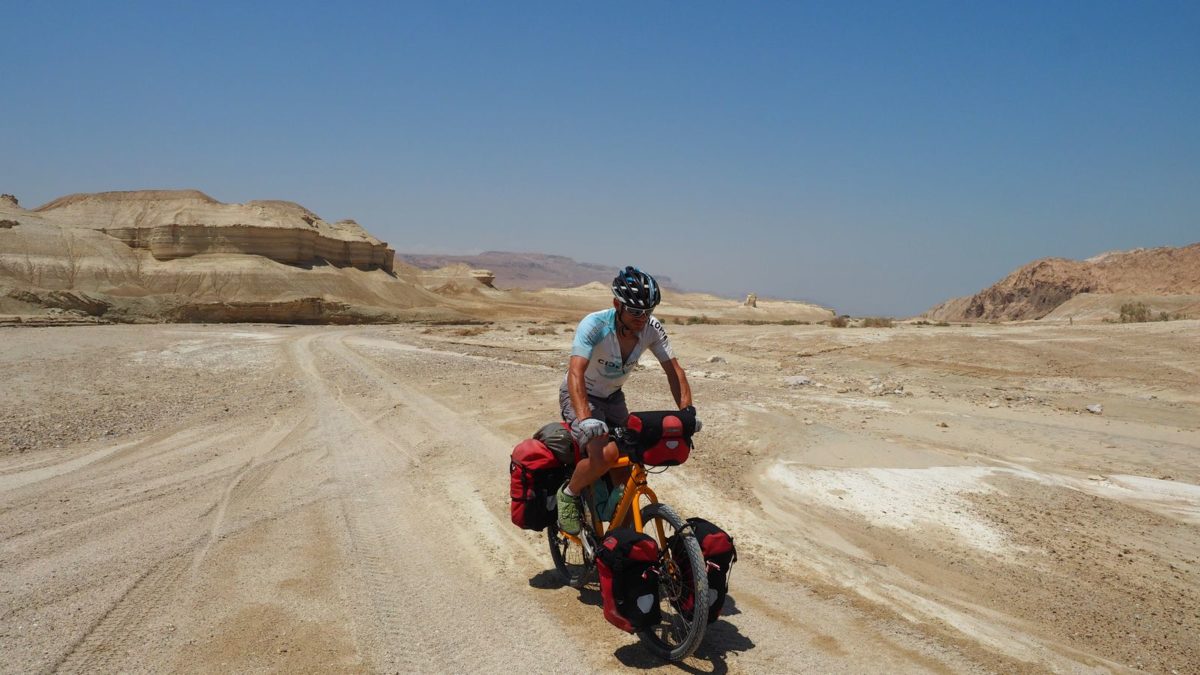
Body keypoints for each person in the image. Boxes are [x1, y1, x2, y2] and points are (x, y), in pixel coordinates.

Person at [556, 266, 694, 534]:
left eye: (648, 311)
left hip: (613, 396)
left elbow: (675, 372)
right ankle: (570, 494)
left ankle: (619, 536)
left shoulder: (651, 328)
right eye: (635, 311)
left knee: (628, 462)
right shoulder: (594, 324)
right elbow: (576, 372)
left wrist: (688, 412)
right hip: (582, 394)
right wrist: (585, 419)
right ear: (617, 304)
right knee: (605, 454)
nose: (642, 318)